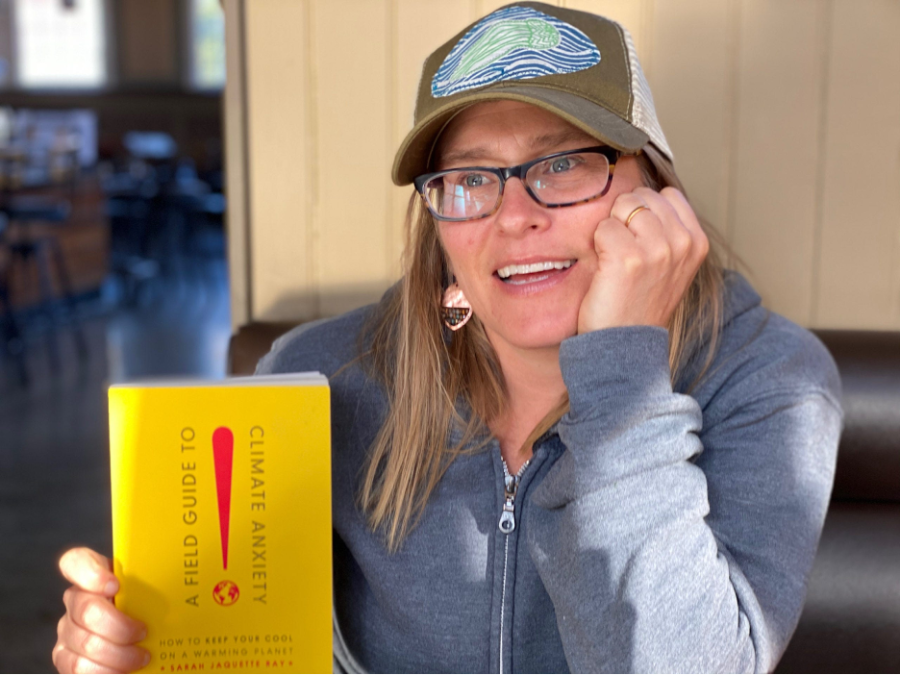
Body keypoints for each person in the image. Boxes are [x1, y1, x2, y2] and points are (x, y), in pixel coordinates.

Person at [53, 4, 843, 673]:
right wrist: (134, 648)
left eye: (563, 164)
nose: (513, 215)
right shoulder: (319, 376)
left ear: (655, 191)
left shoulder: (771, 380)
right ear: (438, 226)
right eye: (469, 178)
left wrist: (621, 371)